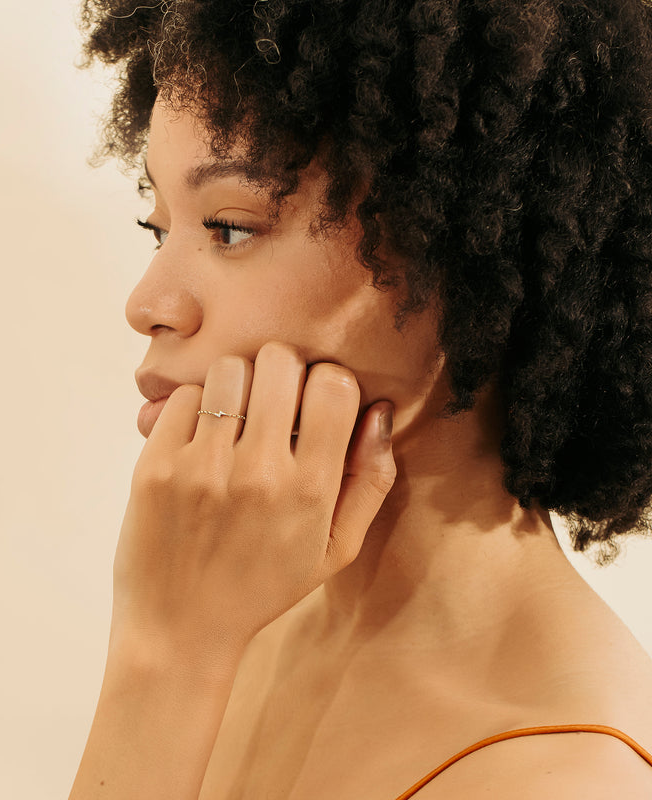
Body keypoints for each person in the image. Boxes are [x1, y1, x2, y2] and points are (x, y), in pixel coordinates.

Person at [70, 1, 652, 797]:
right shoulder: (244, 622)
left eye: (230, 228)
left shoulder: (567, 774)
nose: (149, 302)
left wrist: (166, 658)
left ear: (458, 249)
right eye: (158, 227)